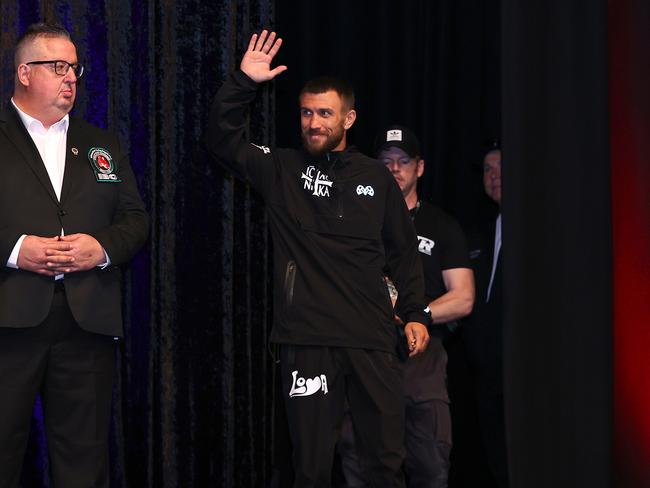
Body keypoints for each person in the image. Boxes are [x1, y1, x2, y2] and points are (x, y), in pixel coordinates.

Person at [207, 30, 431, 488]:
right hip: (306, 339)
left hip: (371, 338)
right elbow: (221, 140)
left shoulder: (376, 177)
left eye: (325, 114)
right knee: (310, 466)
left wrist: (414, 312)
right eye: (307, 113)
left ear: (348, 118)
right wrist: (243, 83)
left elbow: (404, 251)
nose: (314, 123)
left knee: (384, 462)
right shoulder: (282, 168)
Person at [0, 23, 149, 487]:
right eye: (58, 66)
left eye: (75, 68)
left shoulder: (102, 143)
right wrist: (15, 249)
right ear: (25, 72)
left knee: (83, 461)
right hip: (9, 319)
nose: (71, 78)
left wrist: (101, 248)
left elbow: (135, 220)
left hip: (86, 323)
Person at [338, 126, 475, 488]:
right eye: (386, 161)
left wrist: (418, 316)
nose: (395, 169)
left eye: (403, 161)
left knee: (429, 464)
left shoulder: (441, 225)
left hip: (420, 354)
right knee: (359, 461)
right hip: (365, 351)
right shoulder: (351, 220)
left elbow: (463, 296)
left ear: (420, 167)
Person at [463, 141, 508, 487]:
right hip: (485, 368)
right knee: (493, 453)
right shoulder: (483, 227)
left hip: (522, 369)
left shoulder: (539, 227)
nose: (494, 177)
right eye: (488, 170)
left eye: (501, 168)